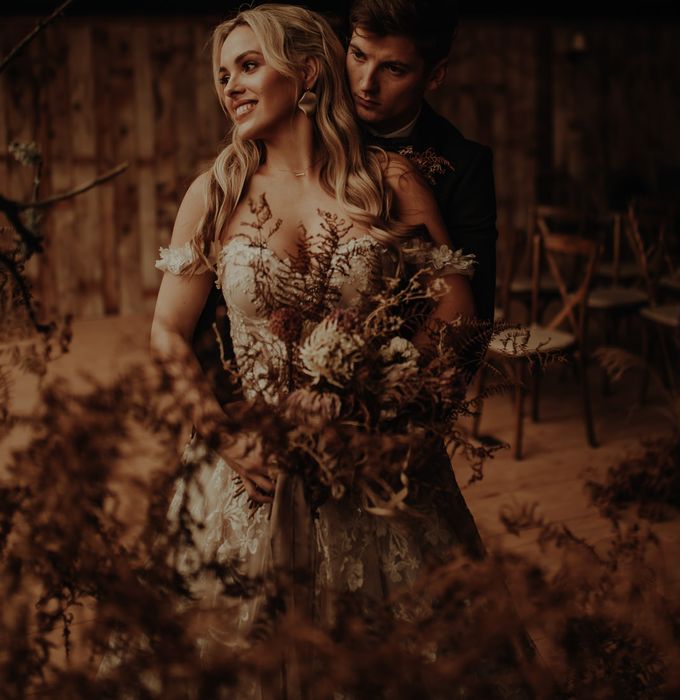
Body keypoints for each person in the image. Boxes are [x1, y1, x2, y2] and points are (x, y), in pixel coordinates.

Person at [148, 5, 537, 697]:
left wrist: (375, 399)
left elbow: (456, 311)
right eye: (222, 74)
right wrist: (223, 434)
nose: (229, 86)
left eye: (247, 65)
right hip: (247, 467)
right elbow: (168, 333)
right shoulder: (215, 192)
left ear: (303, 73)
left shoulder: (388, 178)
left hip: (373, 456)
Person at [346, 0, 499, 323]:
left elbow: (473, 320)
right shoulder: (306, 131)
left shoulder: (465, 166)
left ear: (435, 75)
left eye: (393, 68)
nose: (365, 84)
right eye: (358, 55)